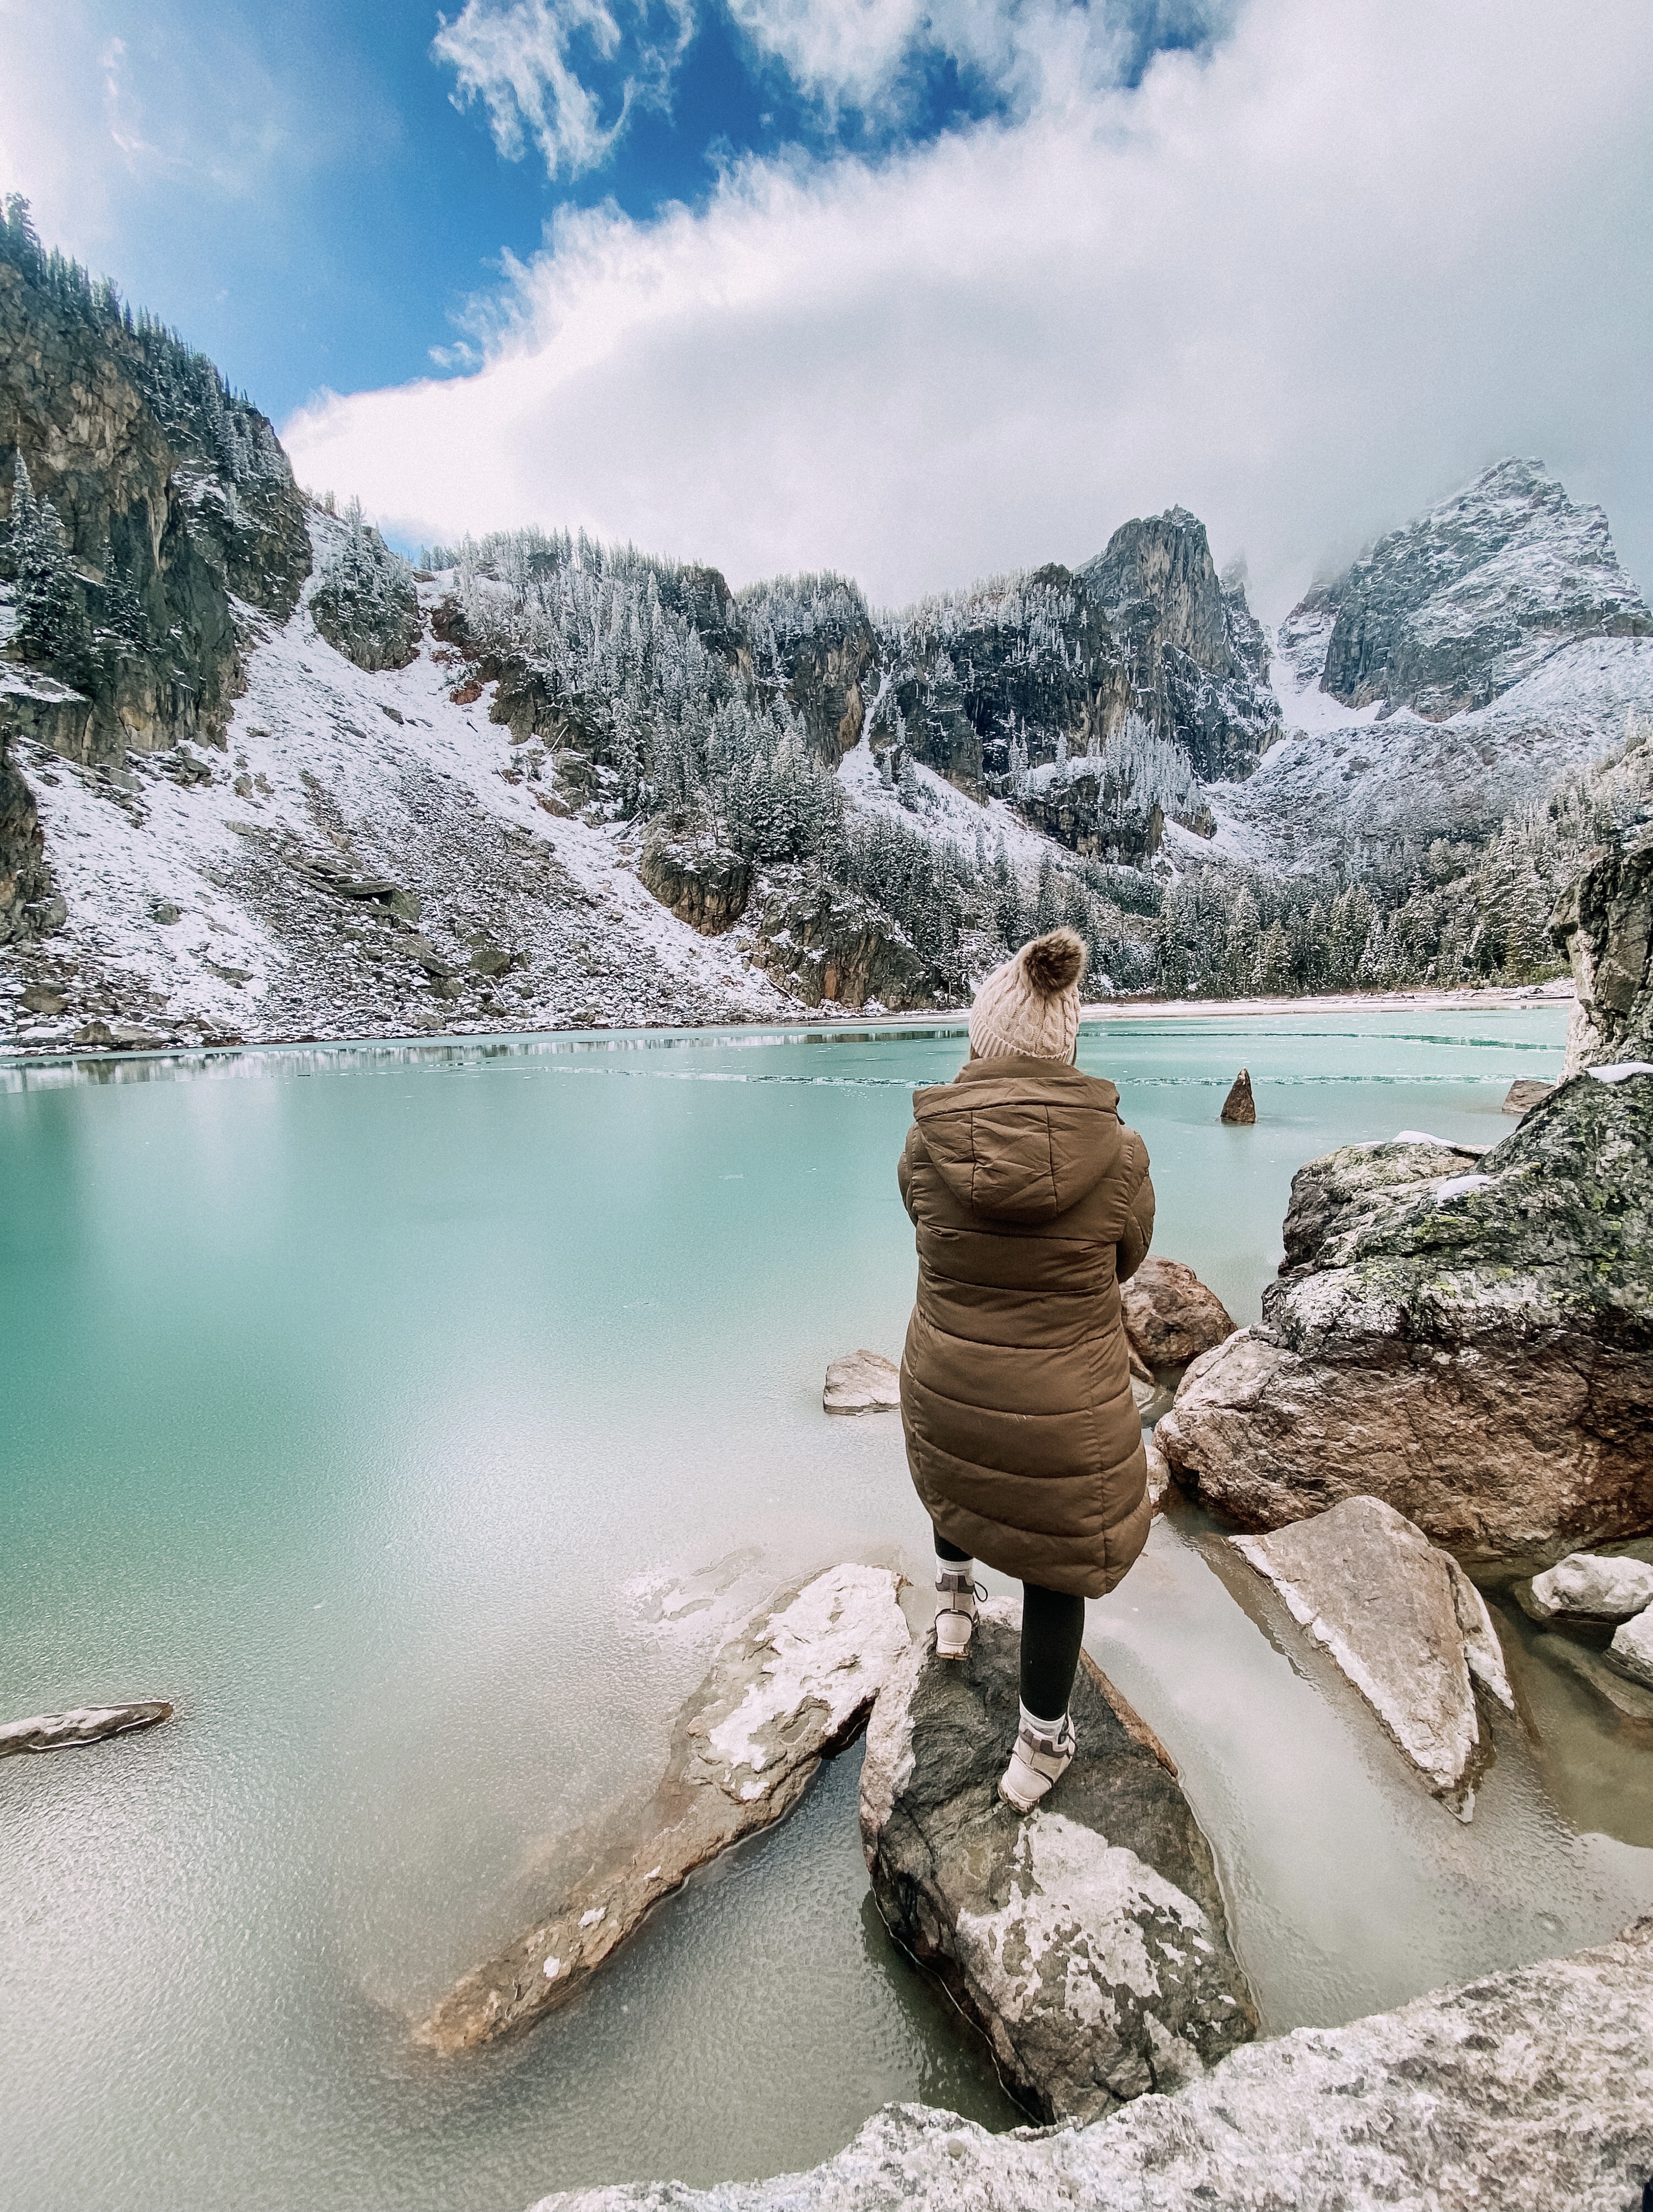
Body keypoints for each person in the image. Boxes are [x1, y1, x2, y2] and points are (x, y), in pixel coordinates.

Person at [896, 925, 1155, 1812]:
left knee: (958, 1482)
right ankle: (1039, 1748)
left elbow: (925, 1229)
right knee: (1055, 1564)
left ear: (982, 1039)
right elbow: (1126, 1259)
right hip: (1064, 1405)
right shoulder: (1119, 1155)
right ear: (1064, 1043)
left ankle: (957, 1612)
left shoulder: (924, 1144)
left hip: (947, 1374)